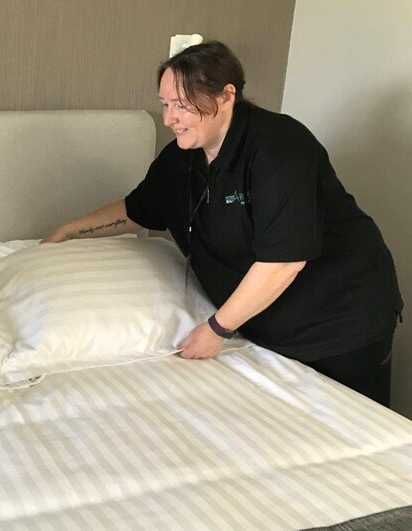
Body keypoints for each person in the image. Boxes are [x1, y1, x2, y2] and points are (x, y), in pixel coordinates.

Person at [44, 41, 402, 406]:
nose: (169, 119)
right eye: (165, 104)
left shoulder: (279, 147)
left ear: (227, 95)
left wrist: (216, 328)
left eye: (182, 105)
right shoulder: (181, 160)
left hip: (341, 319)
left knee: (354, 432)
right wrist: (67, 230)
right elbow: (136, 210)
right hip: (264, 330)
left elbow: (284, 260)